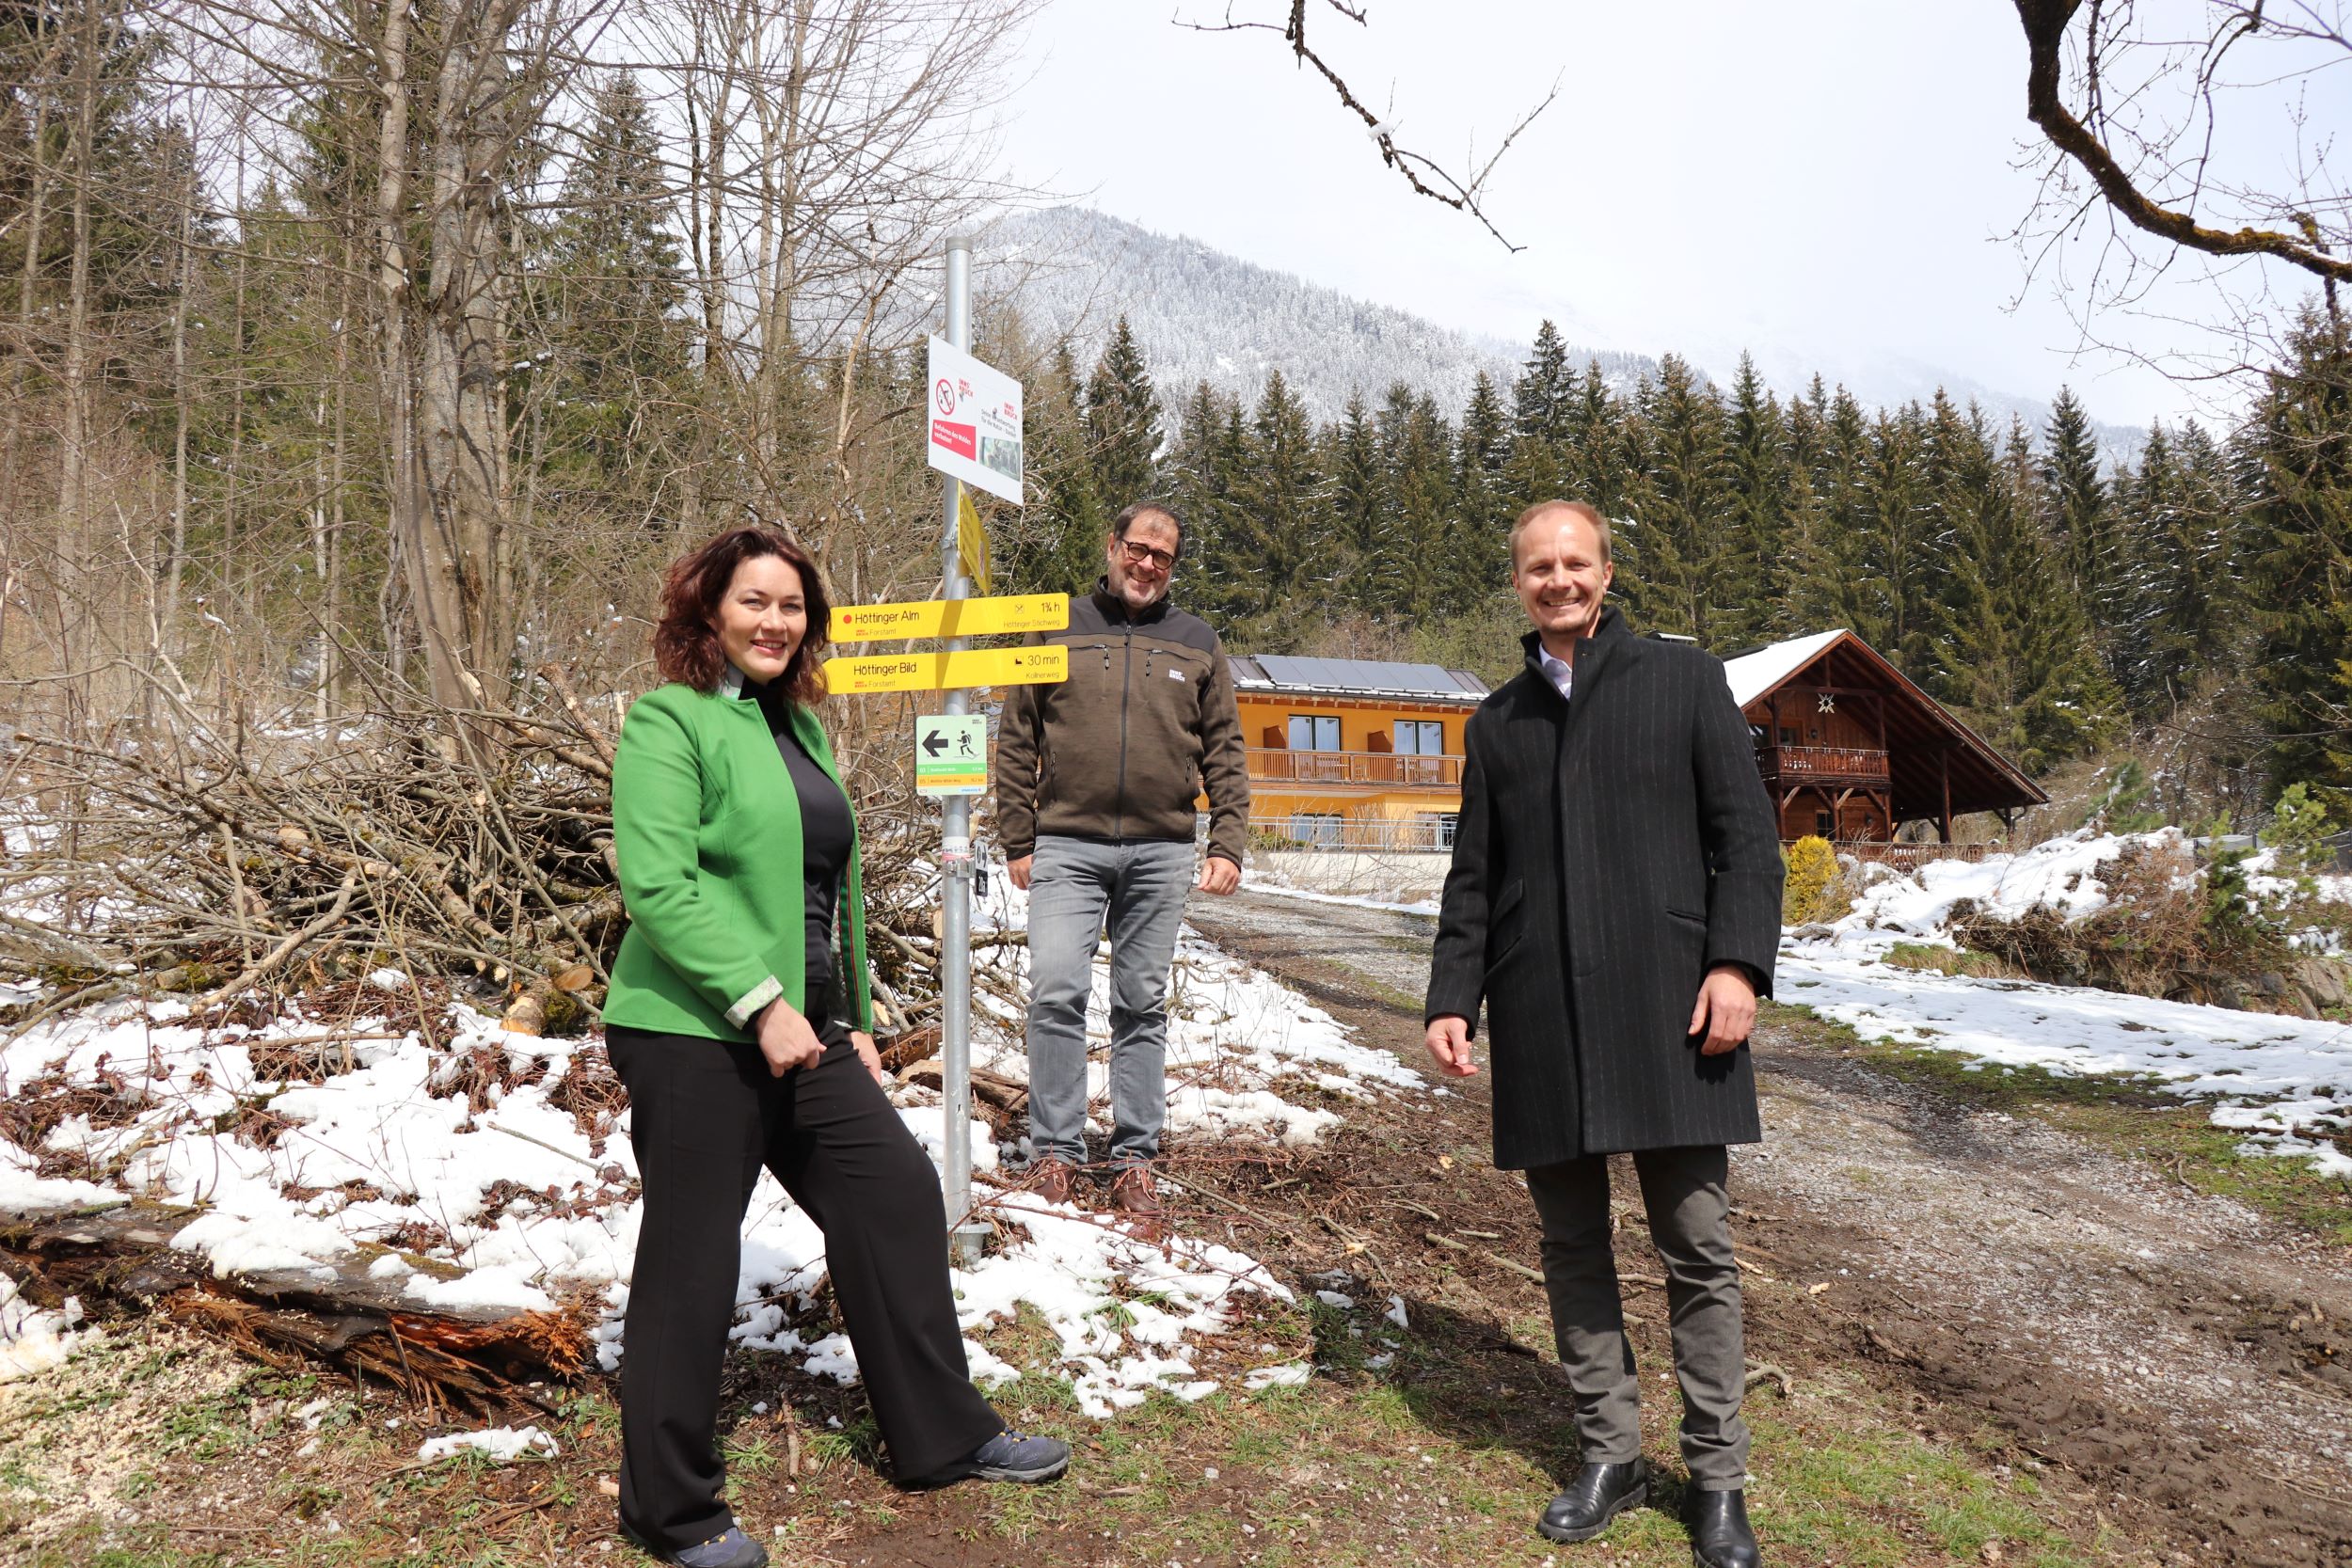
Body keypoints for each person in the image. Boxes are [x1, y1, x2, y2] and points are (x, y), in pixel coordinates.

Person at [603, 526, 1069, 1568]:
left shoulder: (801, 731)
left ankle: (940, 1434)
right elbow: (660, 886)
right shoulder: (668, 722)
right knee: (691, 1255)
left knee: (895, 1195)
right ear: (707, 611)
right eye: (754, 601)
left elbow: (827, 897)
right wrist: (761, 1003)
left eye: (792, 605)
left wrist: (845, 1021)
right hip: (690, 1031)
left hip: (804, 1033)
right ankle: (668, 1508)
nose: (775, 622)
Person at [1422, 500, 1782, 1568]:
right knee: (1571, 1247)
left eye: (1575, 562)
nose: (1559, 580)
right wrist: (1452, 996)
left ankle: (1717, 1475)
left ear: (1607, 572)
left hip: (1674, 1011)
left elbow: (1746, 842)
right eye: (1540, 566)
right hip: (1541, 1018)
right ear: (1519, 583)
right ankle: (1608, 1454)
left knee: (1697, 1249)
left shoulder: (1683, 679)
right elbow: (1472, 879)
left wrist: (1735, 964)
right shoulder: (1496, 722)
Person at [994, 501, 1250, 1227]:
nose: (1146, 565)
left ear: (1173, 566)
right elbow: (1018, 732)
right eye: (1137, 549)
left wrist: (1228, 841)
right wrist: (1019, 835)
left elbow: (1225, 748)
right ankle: (1056, 1148)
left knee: (1141, 1002)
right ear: (1112, 547)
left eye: (1162, 557)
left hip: (1162, 849)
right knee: (1055, 989)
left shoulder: (1198, 642)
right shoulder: (1055, 623)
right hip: (1067, 845)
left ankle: (1136, 1153)